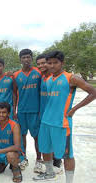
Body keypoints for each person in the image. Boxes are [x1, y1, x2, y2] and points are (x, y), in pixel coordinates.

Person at [33, 51, 96, 182]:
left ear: (62, 63)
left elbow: (93, 92)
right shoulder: (49, 79)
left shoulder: (71, 78)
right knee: (45, 149)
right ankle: (50, 173)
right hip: (46, 121)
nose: (51, 65)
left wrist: (74, 109)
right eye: (49, 63)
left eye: (55, 63)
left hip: (61, 123)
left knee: (67, 155)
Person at [13, 49, 42, 170]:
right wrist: (14, 110)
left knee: (36, 137)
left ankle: (39, 160)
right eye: (23, 57)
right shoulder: (16, 75)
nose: (26, 60)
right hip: (22, 111)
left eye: (28, 57)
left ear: (31, 58)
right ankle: (23, 158)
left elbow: (43, 91)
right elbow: (14, 93)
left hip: (35, 110)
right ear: (20, 59)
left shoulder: (39, 72)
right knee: (22, 136)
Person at [36, 54, 62, 174]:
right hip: (44, 114)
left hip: (55, 116)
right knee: (46, 141)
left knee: (57, 141)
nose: (41, 65)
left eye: (43, 63)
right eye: (39, 64)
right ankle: (51, 167)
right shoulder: (42, 77)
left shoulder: (56, 77)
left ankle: (57, 163)